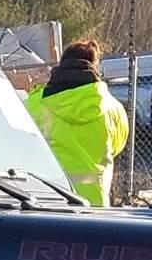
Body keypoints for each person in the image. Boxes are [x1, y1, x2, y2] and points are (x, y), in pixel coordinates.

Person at [24, 38, 131, 207]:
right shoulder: (114, 109)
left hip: (48, 199)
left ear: (62, 64)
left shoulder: (34, 104)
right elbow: (118, 145)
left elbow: (24, 145)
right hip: (95, 202)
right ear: (95, 66)